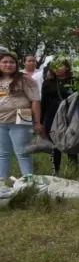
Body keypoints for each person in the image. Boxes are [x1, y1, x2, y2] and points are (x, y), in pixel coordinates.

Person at [0, 50, 44, 179]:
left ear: (16, 64)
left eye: (12, 62)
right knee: (2, 153)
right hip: (1, 120)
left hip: (21, 116)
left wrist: (37, 122)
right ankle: (2, 181)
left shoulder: (24, 79)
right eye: (5, 62)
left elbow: (35, 100)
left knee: (22, 151)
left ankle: (28, 180)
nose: (8, 65)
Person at [40, 60, 78, 176]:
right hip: (52, 115)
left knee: (71, 142)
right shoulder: (48, 83)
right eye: (54, 66)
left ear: (67, 67)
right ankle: (55, 171)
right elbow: (43, 102)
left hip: (69, 115)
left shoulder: (75, 81)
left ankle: (73, 170)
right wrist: (41, 121)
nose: (57, 68)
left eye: (60, 65)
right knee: (54, 143)